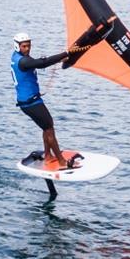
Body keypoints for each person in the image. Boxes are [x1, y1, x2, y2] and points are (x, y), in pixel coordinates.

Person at [11, 32, 82, 169]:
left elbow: (39, 62)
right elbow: (42, 63)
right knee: (49, 128)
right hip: (30, 103)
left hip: (30, 101)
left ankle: (48, 156)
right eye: (24, 46)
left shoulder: (19, 57)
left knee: (46, 126)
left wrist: (57, 59)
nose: (27, 49)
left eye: (29, 46)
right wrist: (64, 54)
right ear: (17, 46)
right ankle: (62, 162)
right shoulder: (23, 60)